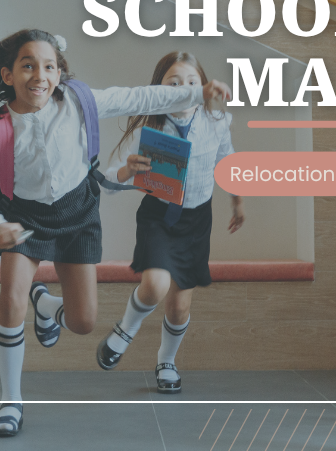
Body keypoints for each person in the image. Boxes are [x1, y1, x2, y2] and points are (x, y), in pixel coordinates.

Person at [0, 30, 231, 437]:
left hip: (77, 212)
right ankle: (11, 402)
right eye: (28, 65)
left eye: (49, 66)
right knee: (11, 299)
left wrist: (196, 93)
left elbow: (141, 98)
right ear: (8, 75)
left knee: (83, 322)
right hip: (22, 219)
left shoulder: (81, 103)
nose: (39, 75)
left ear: (60, 73)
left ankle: (46, 306)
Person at [95, 51, 245, 394]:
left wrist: (237, 202)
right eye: (173, 83)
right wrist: (128, 170)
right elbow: (113, 180)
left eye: (192, 83)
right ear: (159, 89)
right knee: (155, 286)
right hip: (158, 217)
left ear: (204, 86)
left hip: (196, 220)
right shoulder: (152, 126)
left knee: (179, 306)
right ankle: (124, 331)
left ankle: (167, 360)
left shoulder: (216, 119)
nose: (183, 89)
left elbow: (227, 159)